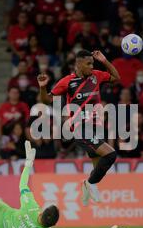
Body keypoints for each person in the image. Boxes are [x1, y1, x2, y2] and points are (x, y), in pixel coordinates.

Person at [38, 50, 120, 206]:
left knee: (99, 165)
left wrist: (104, 60)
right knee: (110, 155)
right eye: (88, 63)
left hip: (96, 127)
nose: (91, 66)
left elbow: (116, 77)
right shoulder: (67, 82)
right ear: (79, 64)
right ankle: (89, 183)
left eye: (92, 63)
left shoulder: (96, 75)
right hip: (80, 128)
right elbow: (46, 99)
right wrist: (42, 87)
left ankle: (89, 184)